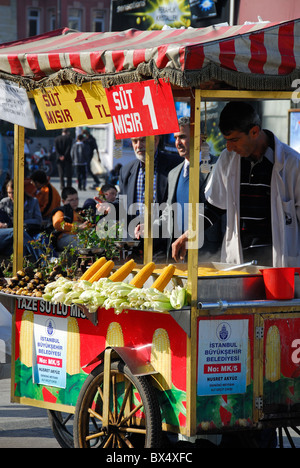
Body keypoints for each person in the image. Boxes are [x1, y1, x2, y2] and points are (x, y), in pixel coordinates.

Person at [172, 101, 300, 268]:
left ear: (254, 132)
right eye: (226, 140)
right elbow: (214, 206)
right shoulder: (227, 159)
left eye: (234, 140)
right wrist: (189, 234)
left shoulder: (292, 164)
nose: (229, 147)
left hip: (279, 262)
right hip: (239, 261)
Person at [135, 117, 224, 260]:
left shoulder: (217, 166)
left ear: (199, 138)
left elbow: (219, 210)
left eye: (182, 137)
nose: (177, 143)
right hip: (180, 254)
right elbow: (168, 213)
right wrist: (151, 226)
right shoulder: (174, 173)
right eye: (175, 137)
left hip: (209, 254)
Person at [117, 135, 182, 239]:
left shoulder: (176, 164)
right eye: (135, 141)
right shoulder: (126, 170)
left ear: (156, 140)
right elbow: (122, 203)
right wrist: (109, 208)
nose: (138, 145)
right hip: (135, 242)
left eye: (143, 140)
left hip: (164, 242)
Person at [0, 179, 42, 260]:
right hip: (9, 234)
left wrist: (21, 222)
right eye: (9, 193)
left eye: (13, 192)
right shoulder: (4, 203)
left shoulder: (32, 201)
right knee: (19, 232)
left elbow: (38, 220)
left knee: (38, 240)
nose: (11, 195)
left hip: (28, 232)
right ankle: (42, 258)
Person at [51, 187, 90, 251]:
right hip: (65, 237)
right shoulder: (61, 211)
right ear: (63, 201)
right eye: (71, 200)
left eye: (76, 199)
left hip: (79, 236)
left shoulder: (80, 211)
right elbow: (57, 224)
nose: (75, 202)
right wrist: (77, 227)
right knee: (86, 245)